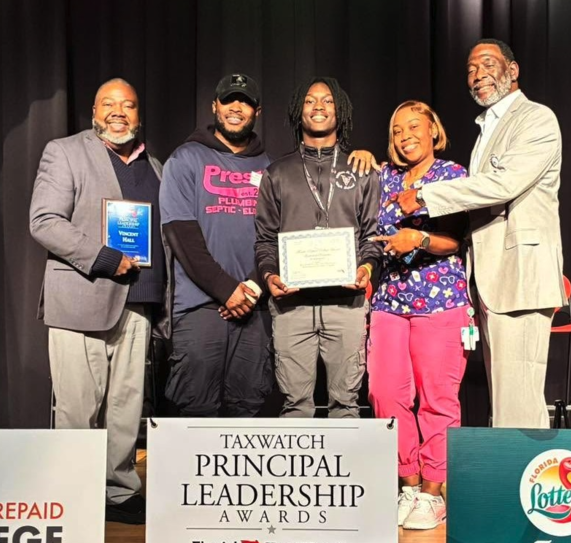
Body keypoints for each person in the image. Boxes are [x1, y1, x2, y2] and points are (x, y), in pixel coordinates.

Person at [395, 39, 568, 429]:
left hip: (519, 275)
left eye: (487, 64)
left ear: (513, 69)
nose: (478, 75)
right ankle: (516, 483)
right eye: (471, 70)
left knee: (519, 400)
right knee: (509, 396)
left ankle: (518, 485)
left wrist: (425, 195)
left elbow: (503, 185)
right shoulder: (487, 128)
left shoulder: (536, 118)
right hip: (493, 278)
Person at [29, 78, 165, 524]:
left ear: (139, 115)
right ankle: (73, 492)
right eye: (109, 103)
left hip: (139, 303)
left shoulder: (157, 166)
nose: (119, 112)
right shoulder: (65, 151)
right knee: (78, 407)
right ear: (94, 110)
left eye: (128, 105)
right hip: (81, 299)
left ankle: (120, 490)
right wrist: (106, 258)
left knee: (126, 406)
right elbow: (45, 221)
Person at [254, 76, 381, 419]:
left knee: (346, 404)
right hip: (292, 304)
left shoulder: (362, 170)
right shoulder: (277, 173)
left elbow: (373, 235)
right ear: (299, 111)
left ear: (340, 110)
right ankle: (301, 474)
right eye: (310, 100)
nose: (319, 106)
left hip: (347, 304)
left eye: (328, 100)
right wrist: (268, 277)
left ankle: (348, 473)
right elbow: (264, 239)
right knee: (295, 405)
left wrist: (366, 268)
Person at [369, 101, 470, 530]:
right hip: (390, 299)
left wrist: (420, 238)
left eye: (414, 126)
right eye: (396, 130)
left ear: (433, 130)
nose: (405, 135)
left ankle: (433, 492)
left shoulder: (453, 175)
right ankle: (407, 484)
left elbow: (458, 240)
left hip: (440, 299)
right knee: (384, 393)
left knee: (437, 399)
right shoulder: (383, 178)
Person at [159, 74, 274, 417]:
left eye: (245, 101)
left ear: (257, 111)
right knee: (195, 410)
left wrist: (250, 291)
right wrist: (226, 291)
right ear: (215, 107)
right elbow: (181, 235)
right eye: (229, 100)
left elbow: (279, 237)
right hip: (200, 308)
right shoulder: (185, 159)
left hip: (255, 308)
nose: (236, 107)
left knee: (249, 407)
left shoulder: (272, 168)